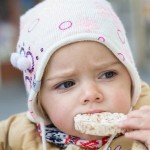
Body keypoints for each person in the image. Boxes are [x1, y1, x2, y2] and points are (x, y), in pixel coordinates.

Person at [0, 0, 150, 149]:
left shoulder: (145, 121)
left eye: (108, 74)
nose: (91, 94)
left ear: (131, 77)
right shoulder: (19, 135)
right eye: (67, 84)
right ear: (40, 103)